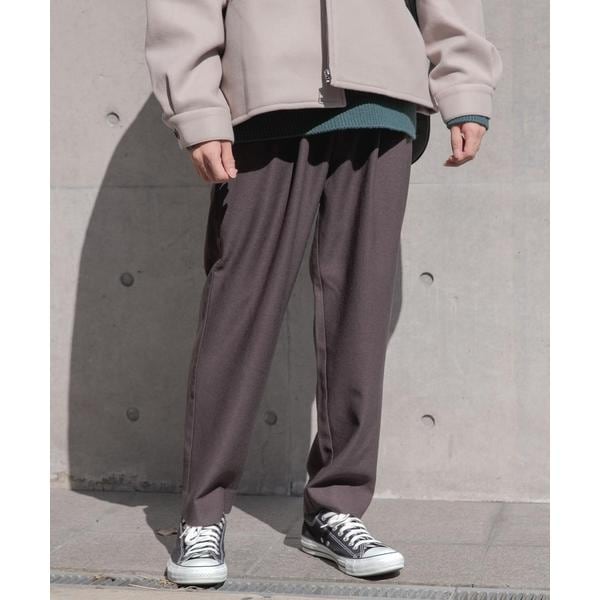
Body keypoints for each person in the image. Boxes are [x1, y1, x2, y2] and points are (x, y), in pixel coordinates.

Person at [144, 0, 503, 586]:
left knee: (358, 317)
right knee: (237, 315)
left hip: (382, 102)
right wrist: (197, 110)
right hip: (265, 102)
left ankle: (335, 509)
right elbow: (184, 9)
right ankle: (202, 515)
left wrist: (464, 87)